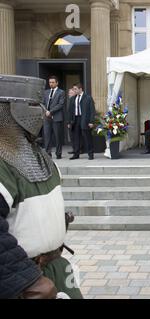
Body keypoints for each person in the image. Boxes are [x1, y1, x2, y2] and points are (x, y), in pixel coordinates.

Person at [0, 74, 82, 299]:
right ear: (7, 110)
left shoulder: (37, 156)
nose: (41, 111)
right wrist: (25, 280)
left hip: (54, 269)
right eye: (33, 104)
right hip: (23, 283)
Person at [68, 83, 96, 160]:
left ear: (80, 89)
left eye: (75, 89)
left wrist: (91, 121)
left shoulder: (88, 98)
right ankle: (76, 154)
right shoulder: (73, 99)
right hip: (75, 120)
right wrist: (69, 122)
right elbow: (69, 111)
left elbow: (92, 110)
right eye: (73, 89)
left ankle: (90, 154)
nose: (74, 90)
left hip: (85, 120)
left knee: (87, 137)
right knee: (76, 138)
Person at [43, 76, 65, 159]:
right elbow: (42, 103)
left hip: (56, 117)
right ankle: (48, 153)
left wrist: (50, 111)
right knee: (47, 136)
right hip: (46, 117)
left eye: (52, 82)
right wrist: (45, 111)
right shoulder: (46, 92)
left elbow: (60, 104)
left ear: (57, 83)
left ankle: (58, 153)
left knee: (57, 136)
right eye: (50, 82)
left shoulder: (61, 92)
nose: (51, 84)